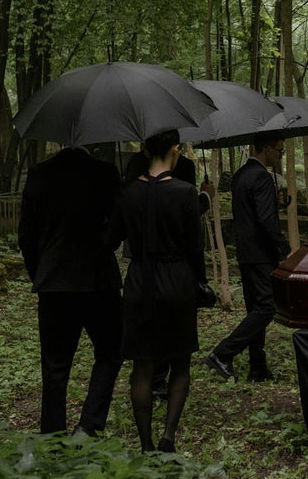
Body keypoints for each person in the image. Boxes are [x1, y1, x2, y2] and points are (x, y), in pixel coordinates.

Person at [109, 129, 207, 453]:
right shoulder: (185, 192)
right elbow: (195, 248)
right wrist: (200, 283)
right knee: (180, 362)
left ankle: (146, 445)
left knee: (142, 366)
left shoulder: (128, 193)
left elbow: (110, 240)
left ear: (146, 150)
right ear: (175, 149)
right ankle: (168, 436)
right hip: (177, 281)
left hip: (140, 281)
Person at [18, 146, 123, 437]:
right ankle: (88, 425)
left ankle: (53, 436)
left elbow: (26, 235)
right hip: (98, 280)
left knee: (55, 365)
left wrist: (40, 273)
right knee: (111, 351)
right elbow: (117, 229)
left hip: (54, 282)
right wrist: (101, 248)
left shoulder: (39, 174)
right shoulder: (105, 173)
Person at [123, 145, 215, 400]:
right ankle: (155, 381)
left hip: (152, 267)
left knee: (167, 346)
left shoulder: (183, 168)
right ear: (173, 149)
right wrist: (205, 199)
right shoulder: (138, 170)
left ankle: (157, 379)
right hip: (164, 266)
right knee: (158, 353)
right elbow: (189, 229)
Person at [205, 131, 291, 383]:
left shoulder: (241, 174)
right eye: (280, 150)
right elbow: (265, 220)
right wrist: (284, 249)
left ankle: (257, 366)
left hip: (245, 252)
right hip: (261, 253)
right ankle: (223, 353)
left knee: (255, 307)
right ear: (267, 149)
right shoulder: (261, 177)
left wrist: (277, 202)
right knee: (267, 307)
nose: (281, 155)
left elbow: (252, 211)